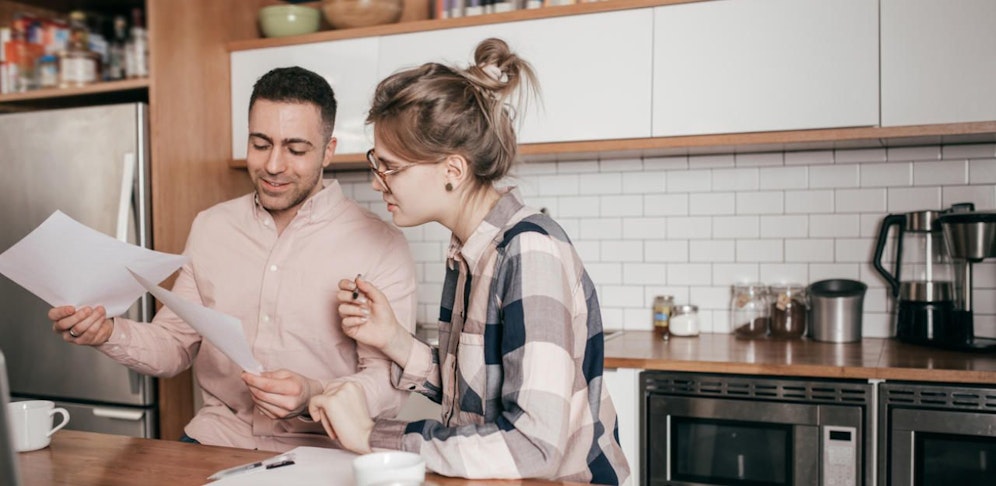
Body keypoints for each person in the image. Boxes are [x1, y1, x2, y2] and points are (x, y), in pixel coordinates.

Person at [308, 38, 631, 484]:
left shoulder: (529, 251)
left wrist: (371, 434)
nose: (377, 181)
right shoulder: (471, 252)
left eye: (390, 167)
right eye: (375, 162)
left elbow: (535, 447)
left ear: (453, 171)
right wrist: (393, 340)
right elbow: (480, 394)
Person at [47, 66, 418, 452]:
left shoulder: (380, 243)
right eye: (260, 145)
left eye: (295, 149)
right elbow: (173, 345)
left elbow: (388, 382)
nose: (274, 165)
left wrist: (314, 395)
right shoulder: (211, 226)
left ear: (328, 151)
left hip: (326, 449)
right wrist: (107, 332)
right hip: (217, 439)